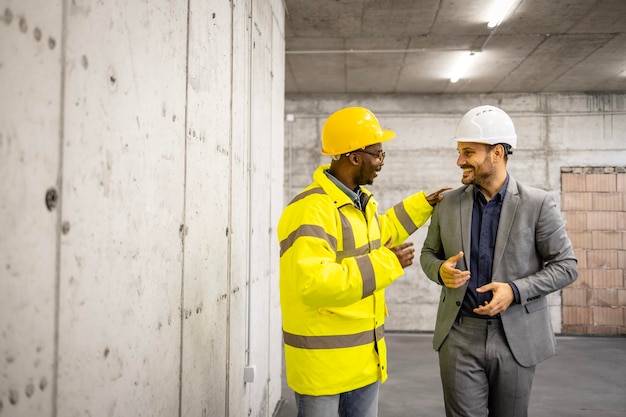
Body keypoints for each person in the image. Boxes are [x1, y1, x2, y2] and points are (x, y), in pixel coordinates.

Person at [278, 106, 448, 417]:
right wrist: (387, 263)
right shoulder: (311, 209)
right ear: (354, 157)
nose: (381, 162)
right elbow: (314, 283)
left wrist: (422, 205)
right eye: (378, 154)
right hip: (324, 366)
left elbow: (381, 232)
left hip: (364, 361)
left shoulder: (357, 203)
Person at [420, 104, 578, 417]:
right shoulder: (448, 203)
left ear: (497, 153)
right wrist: (439, 271)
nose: (459, 161)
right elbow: (427, 254)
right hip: (459, 336)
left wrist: (514, 290)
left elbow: (566, 267)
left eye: (468, 152)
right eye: (459, 151)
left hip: (515, 335)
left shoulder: (537, 203)